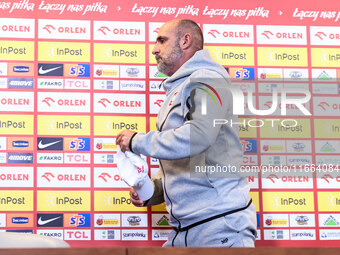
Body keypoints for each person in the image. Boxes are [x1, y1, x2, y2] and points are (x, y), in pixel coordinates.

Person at [116, 19, 257, 247]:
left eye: (162, 40)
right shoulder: (181, 86)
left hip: (219, 225)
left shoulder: (207, 78)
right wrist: (154, 191)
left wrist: (137, 141)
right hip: (187, 230)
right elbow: (188, 160)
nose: (154, 49)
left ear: (185, 41)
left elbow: (199, 135)